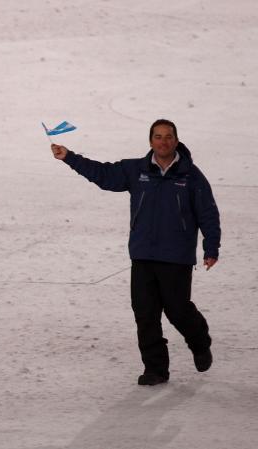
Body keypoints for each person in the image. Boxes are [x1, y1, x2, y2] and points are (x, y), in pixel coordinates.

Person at [51, 119, 220, 386]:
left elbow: (207, 213)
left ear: (176, 141)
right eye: (158, 136)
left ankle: (199, 341)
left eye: (168, 137)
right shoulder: (136, 170)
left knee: (178, 310)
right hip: (142, 255)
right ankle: (155, 369)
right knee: (145, 313)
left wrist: (211, 247)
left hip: (176, 257)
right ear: (150, 141)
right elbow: (103, 175)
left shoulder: (191, 176)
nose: (163, 142)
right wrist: (69, 157)